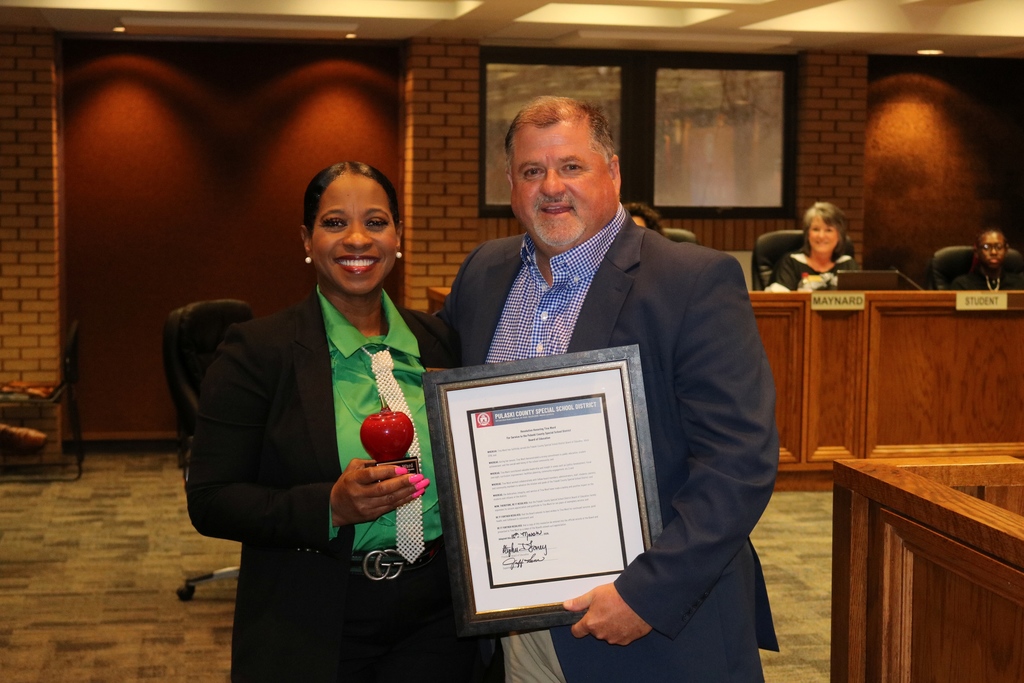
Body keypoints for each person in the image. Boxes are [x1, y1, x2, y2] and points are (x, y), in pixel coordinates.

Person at [440, 97, 779, 681]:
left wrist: (646, 595)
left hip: (652, 631)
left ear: (613, 172)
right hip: (515, 631)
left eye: (571, 166)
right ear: (510, 185)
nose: (551, 187)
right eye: (532, 171)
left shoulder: (693, 281)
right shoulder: (483, 273)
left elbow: (738, 463)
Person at [186, 162, 478, 682]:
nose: (358, 239)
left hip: (437, 619)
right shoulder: (256, 353)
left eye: (376, 222)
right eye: (335, 222)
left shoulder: (438, 342)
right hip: (315, 616)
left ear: (398, 236)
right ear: (307, 239)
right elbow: (211, 499)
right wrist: (330, 507)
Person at [766, 201, 859, 292]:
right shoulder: (791, 263)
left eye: (828, 230)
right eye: (816, 229)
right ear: (808, 234)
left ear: (839, 235)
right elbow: (779, 299)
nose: (821, 236)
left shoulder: (848, 265)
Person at [951, 228, 1024, 290]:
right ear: (976, 252)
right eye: (986, 247)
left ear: (1006, 250)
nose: (993, 252)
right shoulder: (962, 285)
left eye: (999, 247)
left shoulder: (1019, 284)